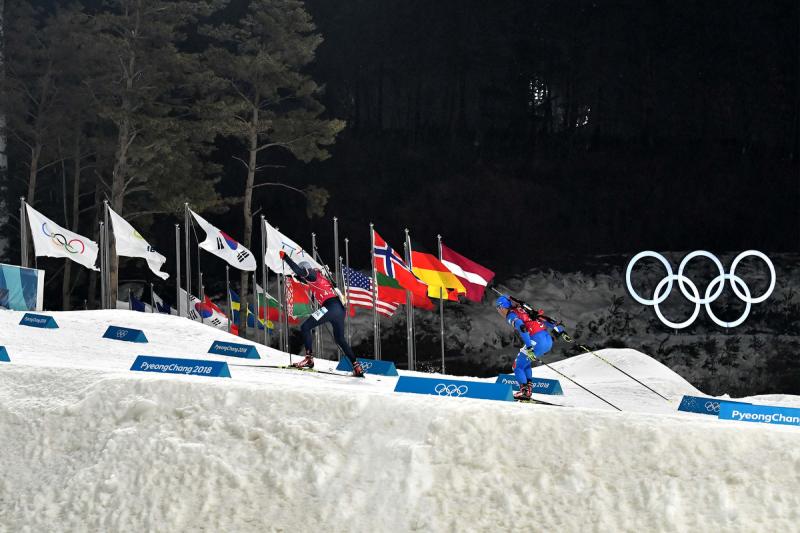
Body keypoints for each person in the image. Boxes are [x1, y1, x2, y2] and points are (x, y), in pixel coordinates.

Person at [281, 251, 365, 377]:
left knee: (305, 327)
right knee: (340, 339)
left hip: (330, 308)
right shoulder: (319, 276)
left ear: (306, 269)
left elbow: (299, 272)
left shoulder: (311, 273)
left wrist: (286, 257)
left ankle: (309, 359)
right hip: (339, 309)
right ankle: (356, 366)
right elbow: (302, 278)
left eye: (303, 272)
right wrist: (294, 276)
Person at [495, 294, 567, 400]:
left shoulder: (511, 315)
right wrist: (561, 331)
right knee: (525, 363)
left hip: (537, 341)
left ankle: (524, 392)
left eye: (498, 308)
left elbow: (522, 328)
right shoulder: (524, 309)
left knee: (517, 366)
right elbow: (542, 319)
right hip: (547, 340)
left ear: (502, 307)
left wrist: (529, 348)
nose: (499, 311)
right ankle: (527, 389)